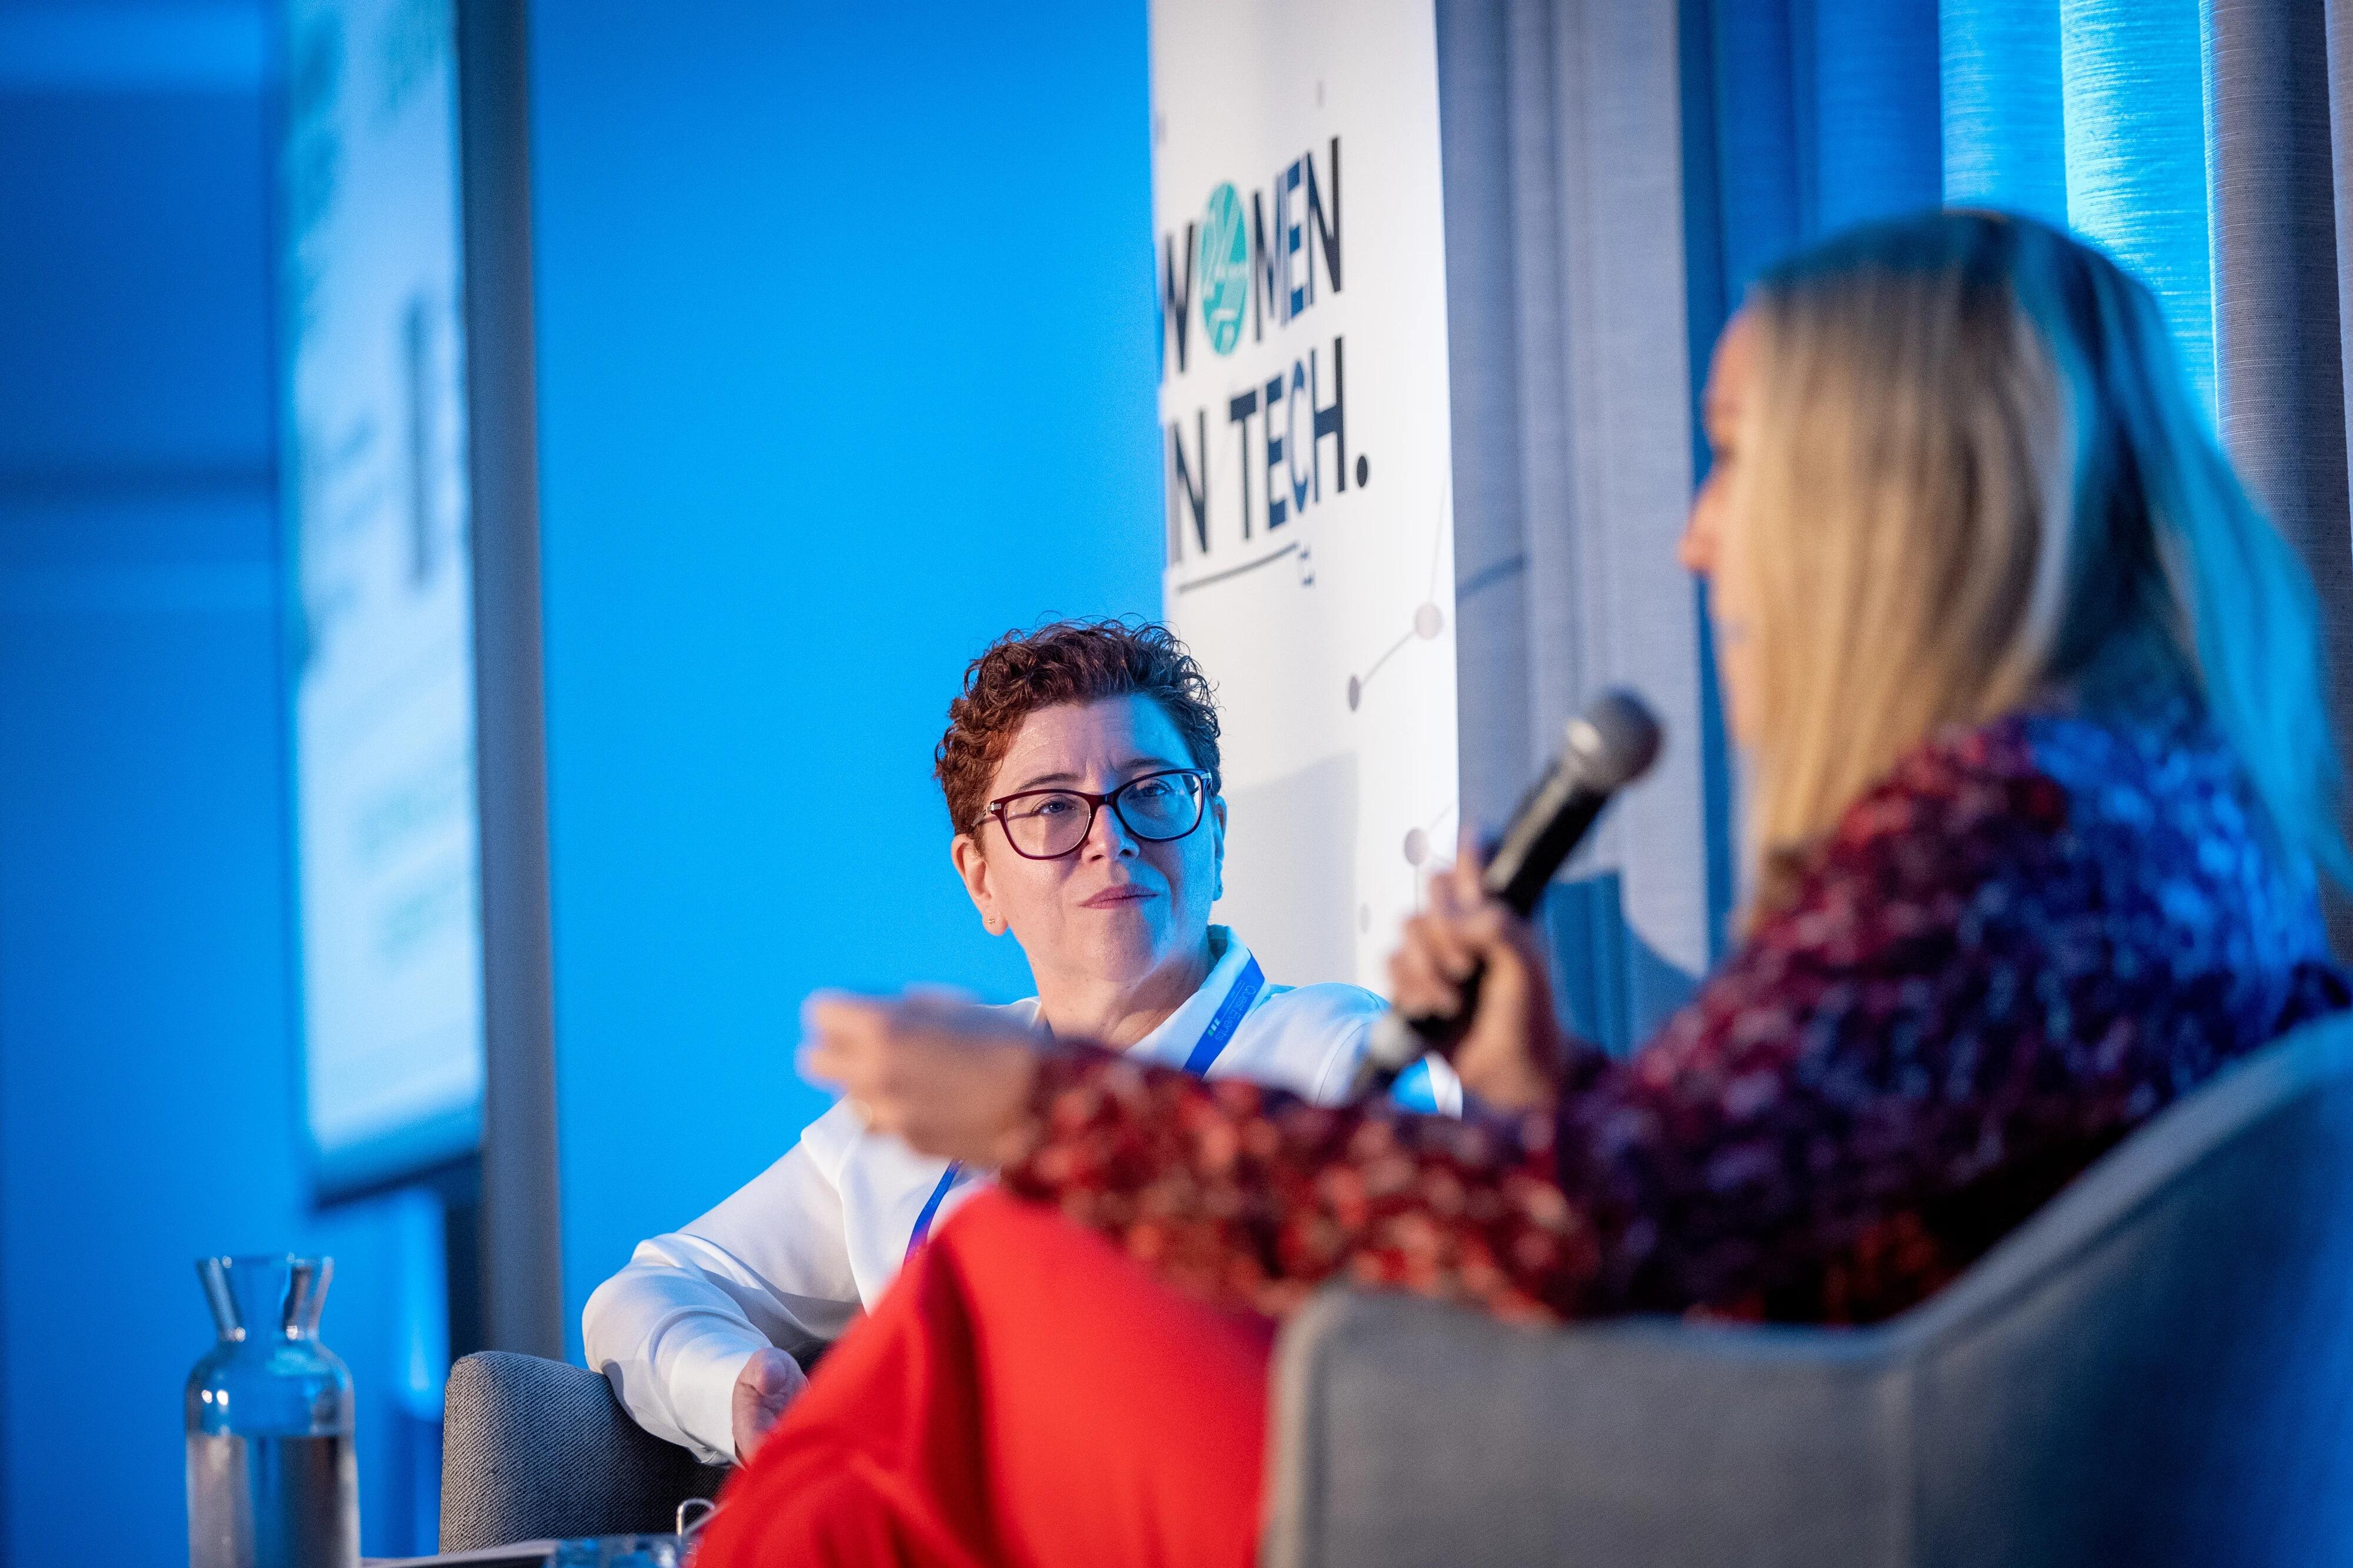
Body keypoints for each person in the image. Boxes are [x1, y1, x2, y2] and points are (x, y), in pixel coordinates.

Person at [694, 211, 2351, 1567]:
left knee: (1004, 1283)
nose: (1697, 537)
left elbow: (1576, 1238)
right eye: (1051, 815)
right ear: (979, 870)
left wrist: (1047, 1112)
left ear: (1899, 495)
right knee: (937, 1381)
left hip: (1743, 1504)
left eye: (1730, 458)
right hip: (1800, 1460)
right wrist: (1544, 1082)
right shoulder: (2159, 815)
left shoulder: (1997, 839)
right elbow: (1762, 1212)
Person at [582, 619, 1442, 1464]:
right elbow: (653, 1289)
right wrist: (736, 1383)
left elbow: (1402, 1347)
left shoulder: (1339, 1052)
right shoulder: (931, 1098)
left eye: (1152, 790)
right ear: (981, 879)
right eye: (1053, 807)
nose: (1112, 837)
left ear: (1214, 834)